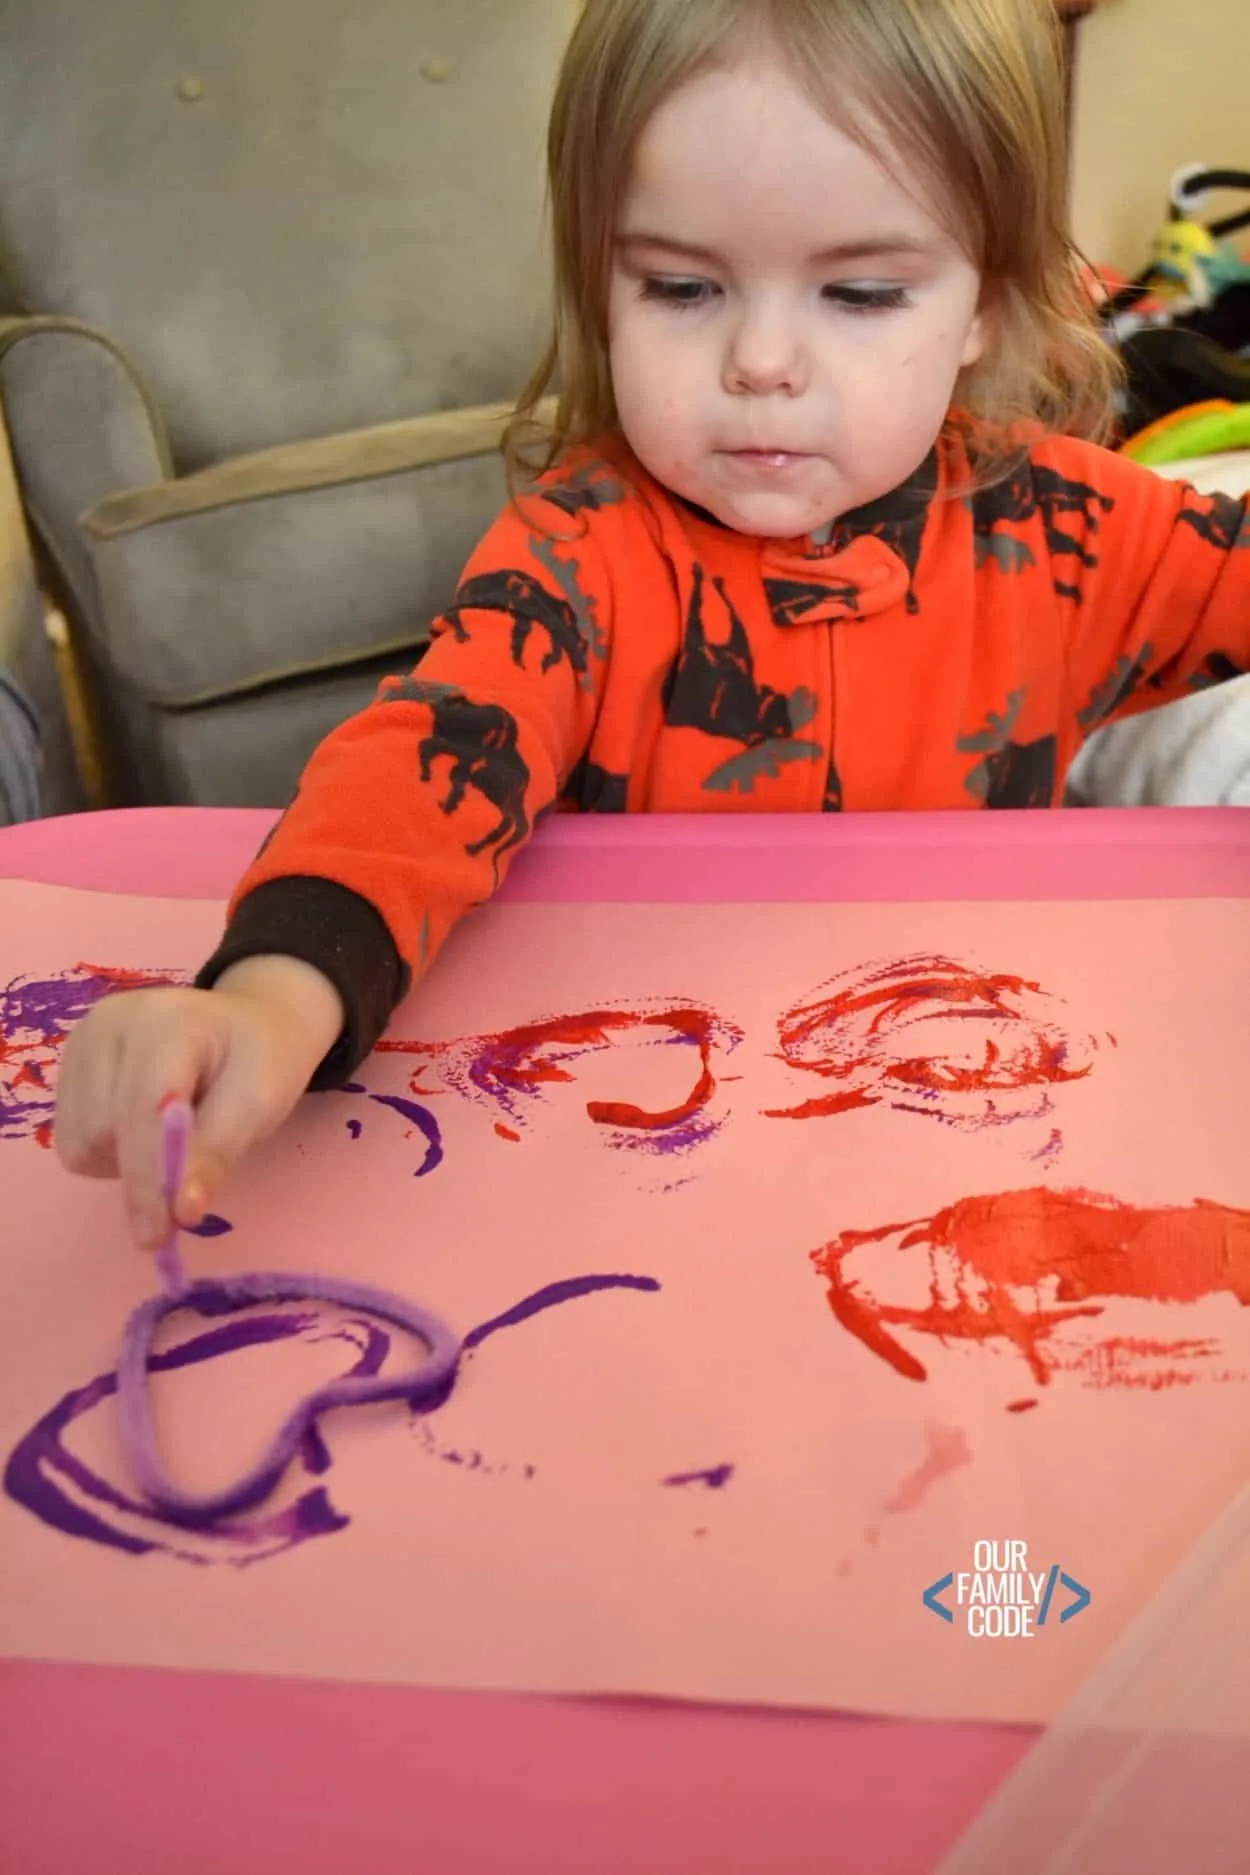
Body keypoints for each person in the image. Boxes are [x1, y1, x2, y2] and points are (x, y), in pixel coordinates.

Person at [54, 0, 1250, 1249]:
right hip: (649, 1144)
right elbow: (418, 777)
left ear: (983, 309)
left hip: (963, 1130)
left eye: (858, 292)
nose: (761, 359)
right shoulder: (583, 554)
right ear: (601, 283)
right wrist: (267, 1000)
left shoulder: (1065, 530)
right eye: (681, 286)